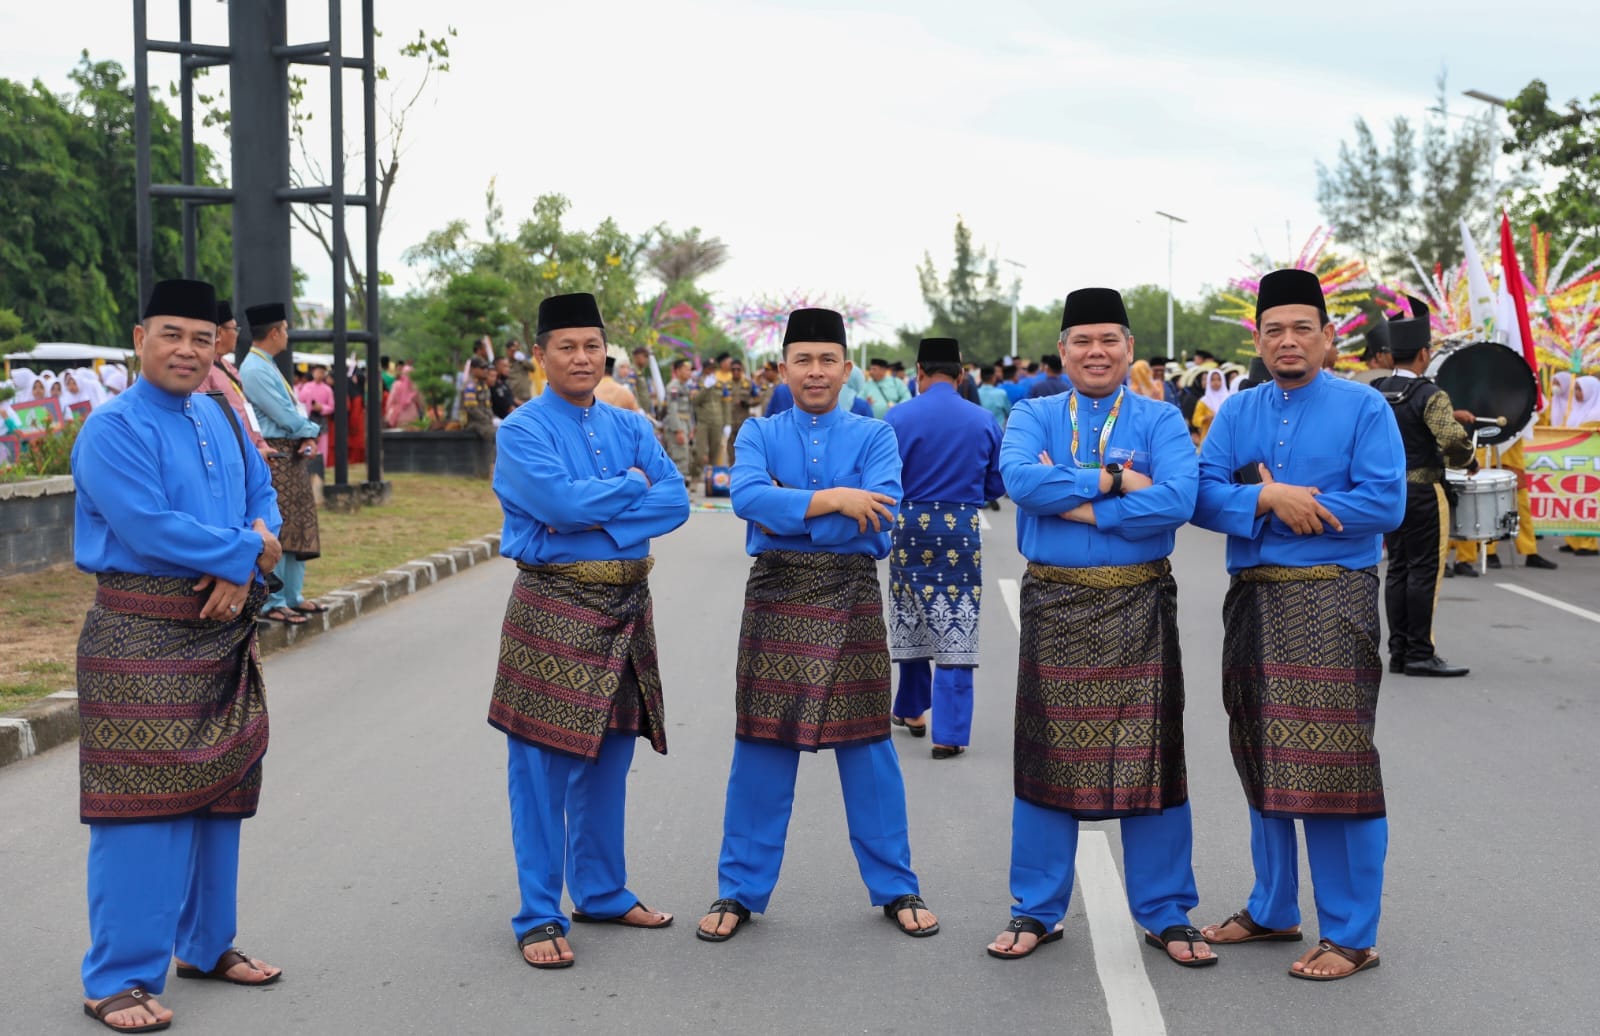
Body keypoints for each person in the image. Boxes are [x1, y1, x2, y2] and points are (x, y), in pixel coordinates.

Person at [71, 278, 284, 1034]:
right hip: (140, 636)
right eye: (172, 334)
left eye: (202, 337)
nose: (188, 350)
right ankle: (118, 978)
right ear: (140, 338)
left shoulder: (223, 416)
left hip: (221, 633)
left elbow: (267, 494)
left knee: (220, 795)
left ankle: (204, 945)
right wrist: (244, 556)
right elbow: (147, 527)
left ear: (218, 344)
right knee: (141, 811)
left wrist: (251, 548)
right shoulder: (113, 428)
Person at [697, 307, 939, 944]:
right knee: (761, 746)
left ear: (846, 367)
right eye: (802, 359)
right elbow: (745, 498)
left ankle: (896, 886)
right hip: (775, 598)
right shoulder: (757, 431)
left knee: (868, 749)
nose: (815, 371)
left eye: (827, 358)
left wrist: (790, 511)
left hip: (852, 597)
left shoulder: (874, 435)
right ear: (783, 367)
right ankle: (738, 891)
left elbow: (879, 513)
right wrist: (837, 500)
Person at [987, 288, 1211, 968]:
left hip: (1141, 601)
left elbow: (1180, 498)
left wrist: (1078, 501)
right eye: (1082, 341)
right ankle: (1036, 908)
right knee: (1045, 751)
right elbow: (1022, 482)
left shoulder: (1161, 416)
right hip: (1055, 601)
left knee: (1154, 754)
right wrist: (1118, 481)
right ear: (1064, 351)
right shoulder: (1033, 412)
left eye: (1108, 339)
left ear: (1128, 349)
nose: (1095, 352)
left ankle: (1167, 910)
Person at [1191, 268, 1404, 981]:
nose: (1287, 341)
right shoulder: (1237, 411)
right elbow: (1200, 492)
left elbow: (1385, 503)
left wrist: (1298, 511)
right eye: (1274, 329)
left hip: (1331, 598)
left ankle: (1352, 933)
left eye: (1301, 328)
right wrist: (1267, 496)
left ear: (1328, 338)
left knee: (1334, 761)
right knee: (1261, 752)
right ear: (1259, 338)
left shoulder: (1363, 408)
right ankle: (1273, 907)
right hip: (1252, 599)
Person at [489, 292, 690, 969]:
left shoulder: (629, 425)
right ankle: (538, 914)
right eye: (567, 346)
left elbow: (677, 500)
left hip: (627, 607)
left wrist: (597, 515)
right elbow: (553, 502)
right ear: (540, 355)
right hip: (552, 607)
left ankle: (602, 891)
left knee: (610, 759)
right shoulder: (521, 429)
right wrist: (628, 491)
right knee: (541, 767)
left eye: (592, 345)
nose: (582, 357)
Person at [884, 337, 1004, 759]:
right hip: (961, 528)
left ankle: (913, 710)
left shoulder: (896, 417)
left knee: (912, 614)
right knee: (956, 620)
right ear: (961, 373)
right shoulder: (984, 420)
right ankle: (949, 733)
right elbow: (997, 482)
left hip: (909, 525)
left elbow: (882, 478)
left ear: (918, 371)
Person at [1370, 298, 1476, 677]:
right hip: (1425, 493)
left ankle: (1398, 650)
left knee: (1397, 568)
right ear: (1424, 353)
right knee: (1423, 570)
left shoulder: (1377, 389)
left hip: (1388, 493)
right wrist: (1468, 458)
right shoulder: (1431, 395)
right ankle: (1419, 651)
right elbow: (1451, 441)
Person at [239, 302, 326, 627]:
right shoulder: (255, 369)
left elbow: (295, 414)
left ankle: (292, 596)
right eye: (286, 329)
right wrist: (313, 430)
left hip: (291, 454)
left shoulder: (267, 365)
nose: (288, 335)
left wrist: (306, 436)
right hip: (274, 456)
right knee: (279, 526)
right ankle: (272, 600)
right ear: (274, 332)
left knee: (297, 526)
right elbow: (286, 416)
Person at [197, 299, 272, 461]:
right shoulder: (202, 370)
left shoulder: (228, 366)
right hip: (230, 455)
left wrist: (260, 443)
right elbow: (205, 420)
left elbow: (244, 411)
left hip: (250, 450)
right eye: (234, 328)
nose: (237, 334)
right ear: (220, 332)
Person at [661, 358, 696, 487]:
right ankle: (677, 490)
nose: (689, 373)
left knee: (686, 457)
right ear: (678, 371)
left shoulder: (685, 387)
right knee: (679, 458)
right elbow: (673, 410)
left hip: (685, 425)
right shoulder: (674, 387)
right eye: (686, 370)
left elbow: (689, 410)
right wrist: (679, 430)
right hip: (677, 426)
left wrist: (691, 428)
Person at [690, 367, 730, 476]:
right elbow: (695, 401)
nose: (710, 372)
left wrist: (727, 423)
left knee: (715, 452)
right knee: (699, 452)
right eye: (708, 369)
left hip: (717, 422)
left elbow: (726, 405)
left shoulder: (721, 384)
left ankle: (712, 480)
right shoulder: (697, 384)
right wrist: (705, 388)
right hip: (703, 422)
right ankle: (695, 477)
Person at [1190, 370, 1234, 444]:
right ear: (1208, 382)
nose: (1216, 382)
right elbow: (1195, 421)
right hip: (1208, 437)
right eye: (1212, 380)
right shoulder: (1203, 401)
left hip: (1226, 437)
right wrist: (1205, 418)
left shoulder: (1229, 399)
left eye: (1219, 379)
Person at [460, 357, 499, 441]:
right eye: (482, 368)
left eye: (486, 368)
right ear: (473, 369)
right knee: (497, 434)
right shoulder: (470, 385)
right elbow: (471, 409)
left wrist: (493, 418)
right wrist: (488, 420)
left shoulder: (483, 385)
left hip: (484, 422)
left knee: (504, 430)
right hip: (472, 422)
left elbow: (487, 406)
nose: (485, 370)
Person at [385, 362, 424, 428]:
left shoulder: (396, 385)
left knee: (400, 436)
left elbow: (390, 401)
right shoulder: (415, 386)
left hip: (399, 415)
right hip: (413, 415)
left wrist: (388, 412)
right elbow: (421, 403)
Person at [977, 363, 1012, 429]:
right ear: (994, 377)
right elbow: (1009, 413)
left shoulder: (976, 393)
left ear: (981, 377)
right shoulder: (1001, 394)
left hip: (981, 431)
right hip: (999, 432)